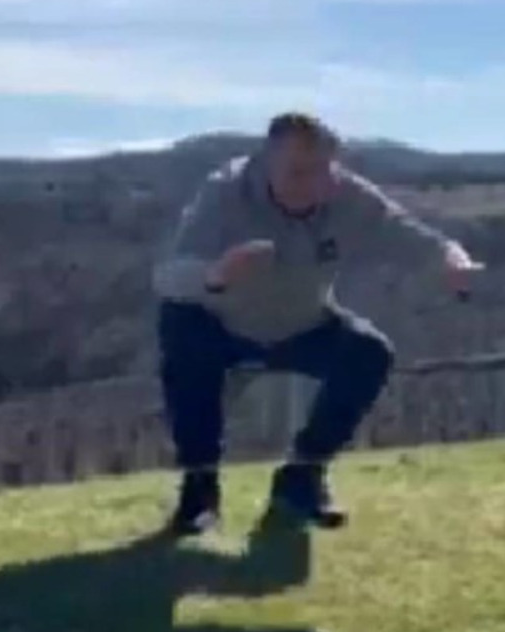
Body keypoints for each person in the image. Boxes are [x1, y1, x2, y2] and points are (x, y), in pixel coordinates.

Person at [153, 112, 482, 536]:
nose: (310, 184)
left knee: (368, 353)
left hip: (302, 324)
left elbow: (404, 231)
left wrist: (451, 259)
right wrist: (214, 275)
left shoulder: (348, 195)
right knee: (179, 326)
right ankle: (199, 489)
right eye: (296, 172)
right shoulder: (223, 194)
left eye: (322, 171)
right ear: (266, 163)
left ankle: (303, 475)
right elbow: (168, 277)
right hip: (223, 324)